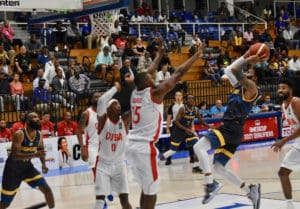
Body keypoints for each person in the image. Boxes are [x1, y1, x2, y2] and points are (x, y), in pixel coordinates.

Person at [126, 40, 206, 209]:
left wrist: (160, 55)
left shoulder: (135, 91)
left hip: (131, 145)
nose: (153, 76)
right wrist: (196, 56)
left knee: (145, 187)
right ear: (147, 83)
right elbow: (178, 74)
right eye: (151, 78)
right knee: (152, 190)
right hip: (143, 147)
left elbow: (148, 72)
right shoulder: (154, 92)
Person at [192, 49, 266, 208]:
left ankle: (210, 184)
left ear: (255, 78)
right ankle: (250, 190)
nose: (246, 73)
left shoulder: (252, 88)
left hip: (231, 129)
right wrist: (246, 55)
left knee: (199, 146)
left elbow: (234, 69)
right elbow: (228, 70)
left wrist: (247, 59)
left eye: (250, 72)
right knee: (218, 167)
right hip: (232, 131)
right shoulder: (239, 86)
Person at [0, 112, 55, 209]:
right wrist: (35, 155)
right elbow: (15, 156)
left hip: (27, 167)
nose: (37, 119)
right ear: (28, 121)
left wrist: (43, 164)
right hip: (13, 170)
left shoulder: (39, 135)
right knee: (5, 203)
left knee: (47, 189)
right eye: (34, 117)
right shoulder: (19, 134)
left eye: (37, 117)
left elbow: (40, 150)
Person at [93, 84, 132, 209]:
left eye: (120, 106)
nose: (119, 108)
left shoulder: (124, 121)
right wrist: (115, 88)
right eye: (116, 106)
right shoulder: (103, 120)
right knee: (99, 200)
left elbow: (137, 107)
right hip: (103, 165)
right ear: (109, 109)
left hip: (120, 165)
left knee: (125, 200)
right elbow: (101, 101)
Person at [160, 94, 211, 173]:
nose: (191, 100)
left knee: (196, 147)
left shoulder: (196, 109)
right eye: (189, 99)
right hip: (178, 131)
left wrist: (209, 126)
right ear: (186, 100)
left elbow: (201, 121)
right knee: (172, 151)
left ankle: (195, 167)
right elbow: (176, 121)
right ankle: (158, 160)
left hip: (188, 131)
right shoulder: (182, 109)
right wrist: (185, 129)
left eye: (192, 99)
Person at [271, 78, 300, 209]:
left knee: (283, 172)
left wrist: (284, 140)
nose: (280, 90)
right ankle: (290, 206)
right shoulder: (283, 106)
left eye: (284, 88)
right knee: (283, 172)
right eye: (279, 88)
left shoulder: (296, 102)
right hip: (298, 143)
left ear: (291, 90)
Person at [77, 92, 102, 177]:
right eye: (96, 97)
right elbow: (79, 131)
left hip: (105, 147)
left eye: (100, 97)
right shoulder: (87, 113)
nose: (98, 98)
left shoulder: (107, 112)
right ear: (91, 100)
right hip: (93, 147)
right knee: (97, 174)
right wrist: (82, 148)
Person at [164, 91, 184, 165]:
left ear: (182, 97)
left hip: (184, 126)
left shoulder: (185, 106)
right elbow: (169, 118)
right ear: (175, 97)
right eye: (177, 95)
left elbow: (190, 118)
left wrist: (192, 127)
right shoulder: (171, 106)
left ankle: (192, 158)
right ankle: (168, 159)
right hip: (175, 126)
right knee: (171, 144)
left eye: (179, 95)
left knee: (191, 142)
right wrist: (167, 128)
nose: (178, 97)